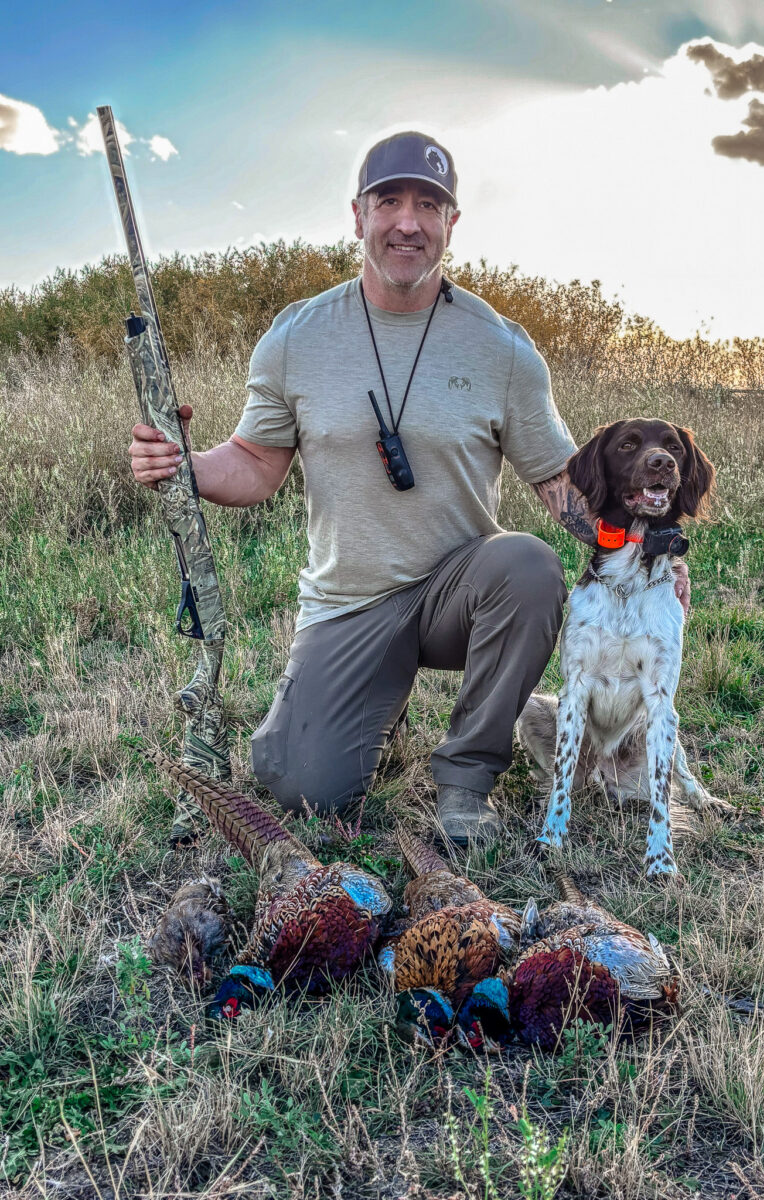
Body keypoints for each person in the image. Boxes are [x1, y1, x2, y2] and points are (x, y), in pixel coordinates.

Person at [129, 131, 689, 844]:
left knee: (528, 566)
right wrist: (183, 464)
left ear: (451, 224)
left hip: (460, 592)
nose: (407, 222)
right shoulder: (296, 337)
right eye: (388, 201)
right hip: (348, 602)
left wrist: (650, 555)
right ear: (357, 214)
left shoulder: (502, 347)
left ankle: (465, 783)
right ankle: (371, 709)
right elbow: (254, 462)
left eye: (429, 204)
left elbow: (560, 484)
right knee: (303, 788)